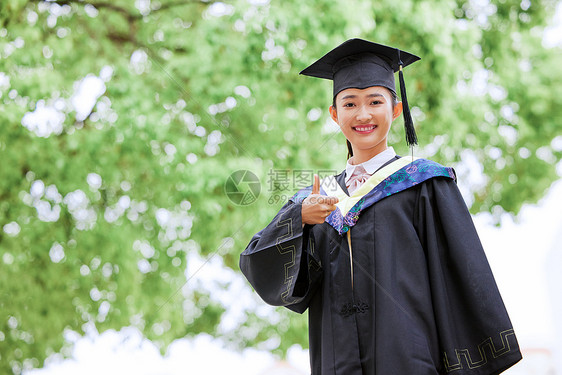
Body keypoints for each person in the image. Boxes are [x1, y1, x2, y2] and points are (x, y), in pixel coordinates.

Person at [239, 38, 522, 374]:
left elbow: (462, 275)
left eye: (375, 101)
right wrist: (298, 220)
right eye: (349, 104)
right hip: (337, 362)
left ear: (396, 109)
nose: (363, 114)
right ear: (334, 114)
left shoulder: (424, 183)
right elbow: (259, 265)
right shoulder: (315, 199)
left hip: (409, 360)